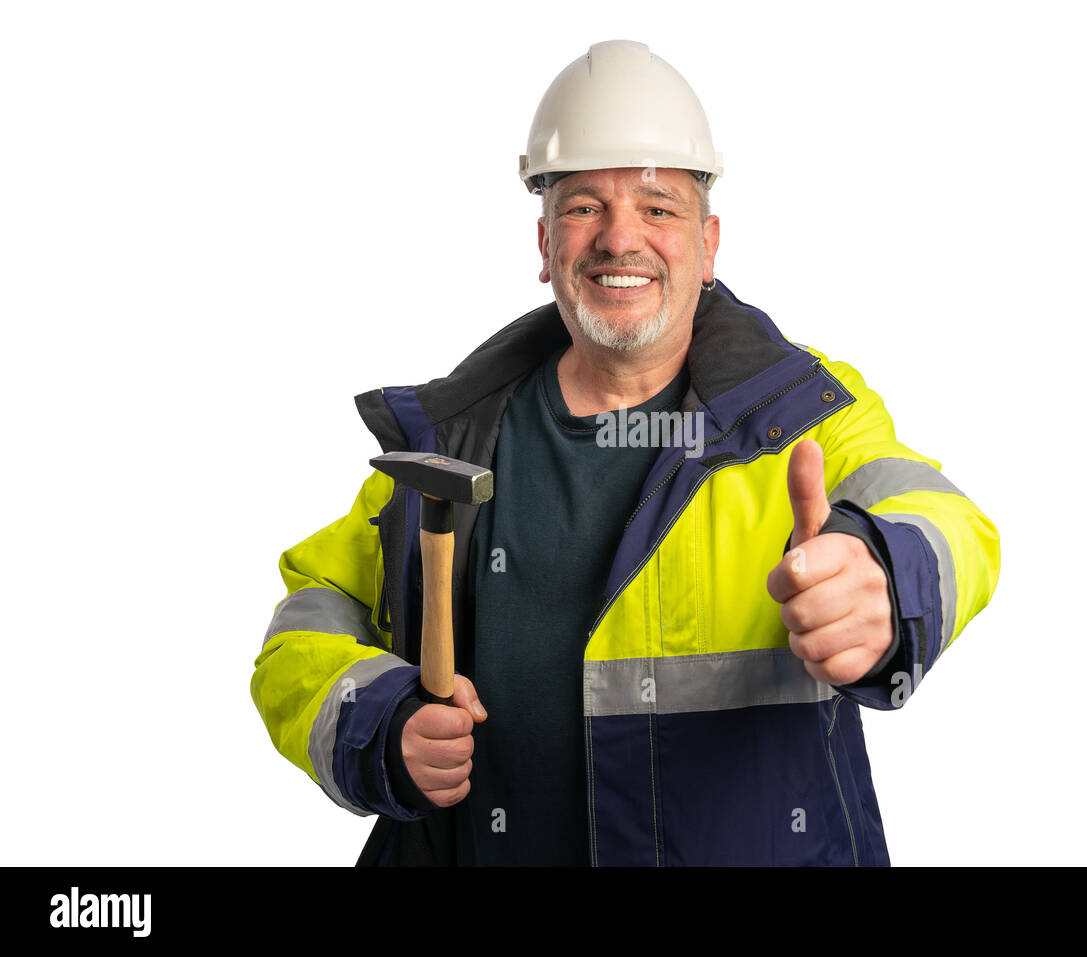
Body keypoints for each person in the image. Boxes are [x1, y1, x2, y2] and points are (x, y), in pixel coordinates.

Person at [251, 39, 1000, 866]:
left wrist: (886, 577)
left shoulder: (803, 415)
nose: (619, 238)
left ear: (709, 243)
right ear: (544, 245)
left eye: (658, 206)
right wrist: (381, 723)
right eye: (581, 207)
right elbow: (306, 621)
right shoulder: (451, 442)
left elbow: (948, 518)